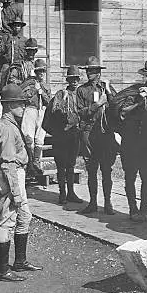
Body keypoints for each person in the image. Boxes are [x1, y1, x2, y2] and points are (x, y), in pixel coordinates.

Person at [0, 84, 43, 282]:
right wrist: (15, 192)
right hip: (10, 176)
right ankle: (2, 270)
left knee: (25, 216)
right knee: (7, 220)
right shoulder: (6, 128)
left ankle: (20, 261)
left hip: (16, 175)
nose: (23, 107)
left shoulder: (11, 124)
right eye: (20, 104)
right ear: (8, 105)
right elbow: (7, 163)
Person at [115, 58, 147, 222]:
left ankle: (144, 210)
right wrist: (139, 101)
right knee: (130, 176)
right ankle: (133, 209)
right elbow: (123, 112)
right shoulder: (136, 92)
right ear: (145, 77)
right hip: (131, 141)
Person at [76, 56, 117, 215]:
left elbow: (116, 105)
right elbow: (79, 112)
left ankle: (108, 203)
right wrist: (97, 105)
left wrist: (108, 89)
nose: (89, 73)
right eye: (88, 70)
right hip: (88, 131)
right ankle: (93, 203)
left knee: (107, 170)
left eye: (92, 70)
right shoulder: (82, 90)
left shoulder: (106, 88)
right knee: (91, 170)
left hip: (105, 133)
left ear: (99, 72)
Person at [46, 66, 83, 205]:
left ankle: (71, 193)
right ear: (68, 80)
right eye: (72, 79)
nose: (74, 82)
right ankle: (62, 193)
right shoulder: (61, 94)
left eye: (76, 79)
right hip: (61, 134)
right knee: (61, 165)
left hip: (74, 133)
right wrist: (63, 103)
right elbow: (55, 112)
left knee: (71, 164)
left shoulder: (80, 94)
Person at [20, 59, 51, 176]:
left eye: (43, 71)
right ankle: (30, 164)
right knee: (29, 138)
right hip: (31, 110)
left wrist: (41, 91)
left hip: (42, 111)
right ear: (35, 73)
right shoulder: (29, 84)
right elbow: (23, 96)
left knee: (39, 139)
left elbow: (48, 101)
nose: (42, 74)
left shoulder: (46, 86)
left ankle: (36, 162)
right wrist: (34, 89)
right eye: (39, 72)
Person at [0, 19, 28, 87]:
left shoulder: (24, 40)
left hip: (19, 66)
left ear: (21, 27)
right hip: (8, 64)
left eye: (18, 26)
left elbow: (27, 54)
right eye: (15, 25)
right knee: (3, 80)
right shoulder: (6, 38)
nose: (17, 27)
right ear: (12, 27)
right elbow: (1, 52)